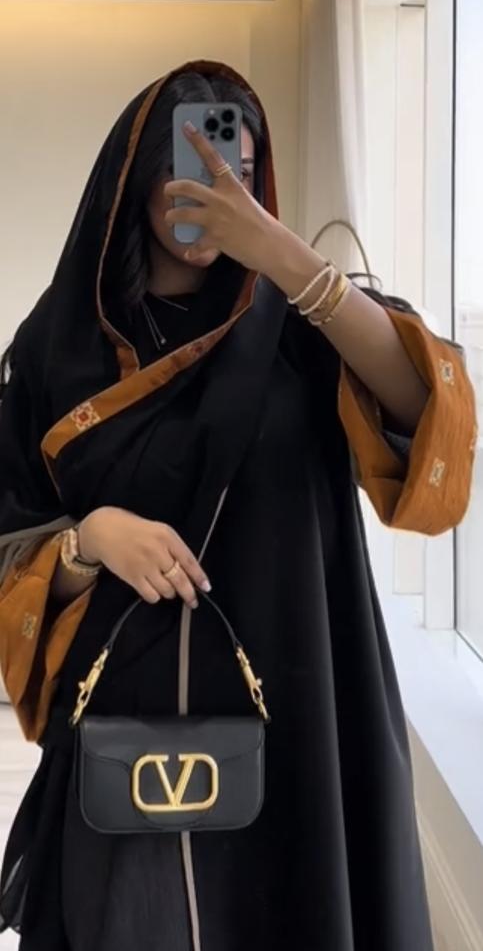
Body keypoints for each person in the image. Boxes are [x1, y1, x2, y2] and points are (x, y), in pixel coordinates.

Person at [0, 60, 476, 951]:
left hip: (299, 700)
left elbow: (429, 418)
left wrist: (283, 257)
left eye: (240, 169)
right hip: (123, 717)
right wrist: (90, 539)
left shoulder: (301, 324)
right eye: (186, 165)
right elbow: (9, 535)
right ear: (133, 179)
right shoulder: (61, 342)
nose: (216, 184)